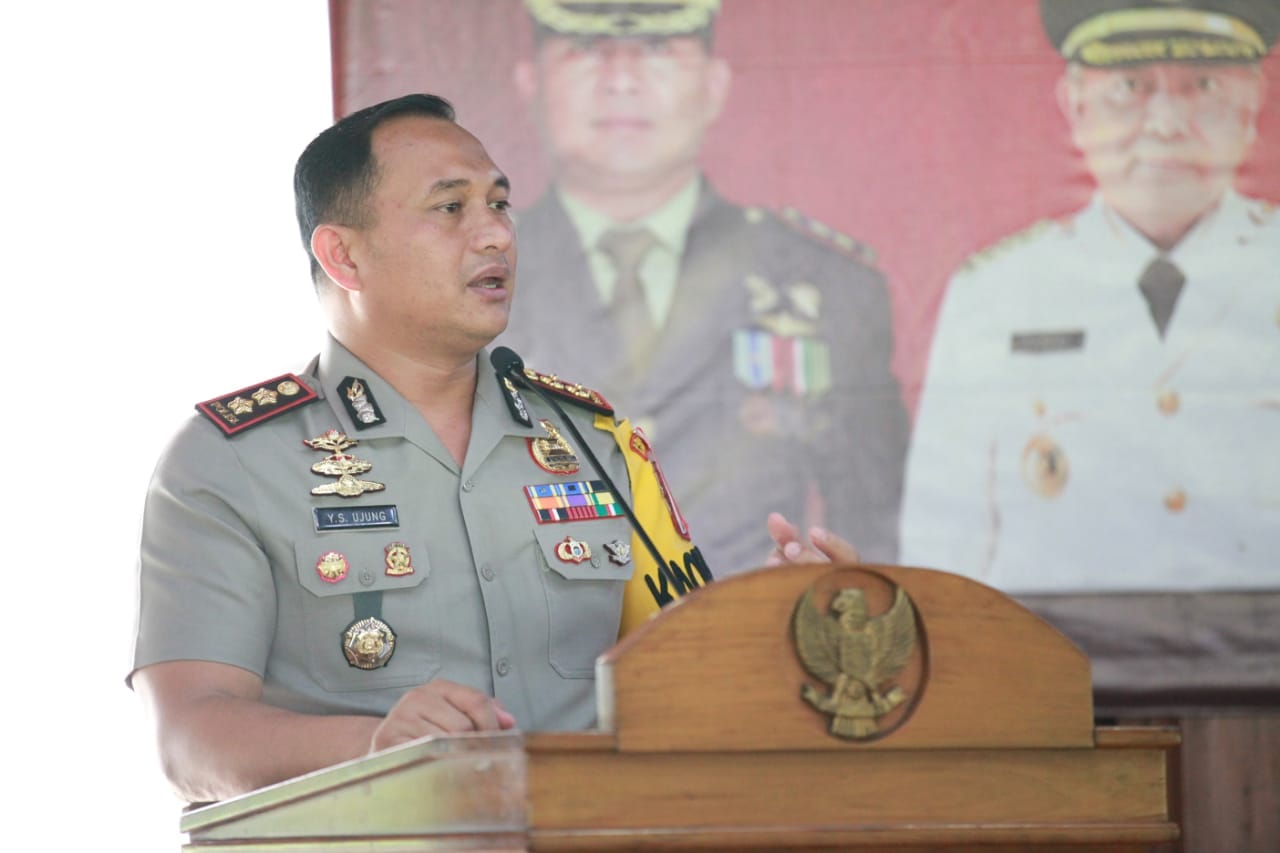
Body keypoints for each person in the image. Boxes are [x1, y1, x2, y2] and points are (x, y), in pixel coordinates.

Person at [128, 93, 860, 805]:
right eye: (451, 208)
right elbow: (190, 740)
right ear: (343, 255)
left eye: (500, 204)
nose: (496, 235)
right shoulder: (230, 462)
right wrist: (375, 744)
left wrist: (775, 628)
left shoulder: (592, 442)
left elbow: (681, 688)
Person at [498, 0, 909, 577]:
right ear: (530, 84)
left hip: (752, 626)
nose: (622, 81)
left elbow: (877, 529)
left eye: (658, 49)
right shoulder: (468, 282)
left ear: (715, 87)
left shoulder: (825, 285)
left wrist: (831, 582)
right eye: (586, 50)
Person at [901, 0, 1280, 591]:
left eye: (1204, 85)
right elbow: (945, 542)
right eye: (1130, 87)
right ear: (1076, 108)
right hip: (1053, 646)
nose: (1166, 124)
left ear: (1252, 102)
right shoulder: (997, 293)